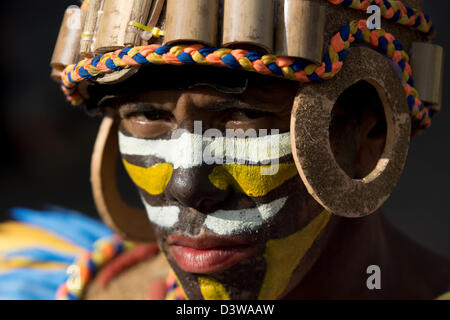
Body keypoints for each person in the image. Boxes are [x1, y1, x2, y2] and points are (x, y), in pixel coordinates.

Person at [1, 0, 449, 300]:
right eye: (147, 114)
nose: (188, 186)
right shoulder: (68, 283)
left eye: (245, 115)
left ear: (373, 133)